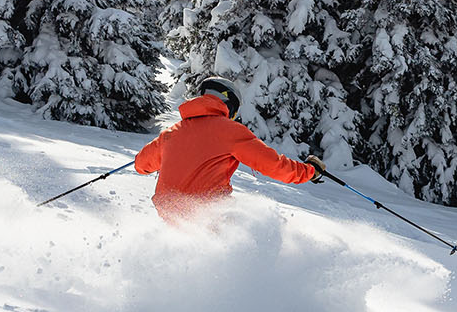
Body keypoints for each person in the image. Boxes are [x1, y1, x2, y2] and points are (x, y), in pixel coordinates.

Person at [134, 76, 324, 223]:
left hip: (168, 212)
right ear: (230, 105)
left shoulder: (172, 132)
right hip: (207, 212)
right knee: (256, 228)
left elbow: (141, 164)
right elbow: (273, 165)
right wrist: (309, 171)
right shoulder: (230, 131)